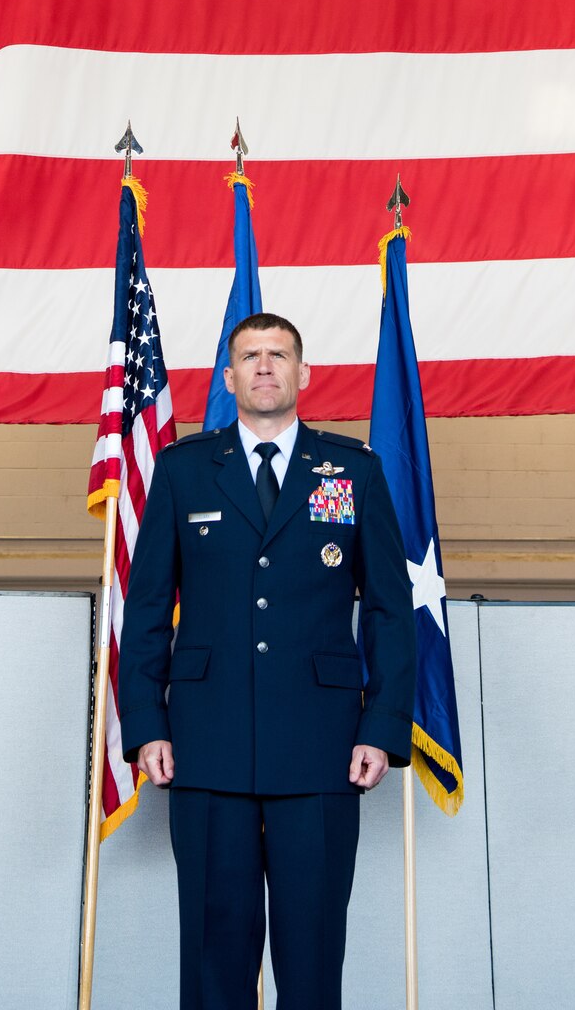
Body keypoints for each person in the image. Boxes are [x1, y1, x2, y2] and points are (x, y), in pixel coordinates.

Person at [119, 311, 416, 1010]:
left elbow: (387, 611)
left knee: (311, 955)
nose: (262, 366)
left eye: (277, 354)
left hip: (321, 744)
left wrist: (380, 727)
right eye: (249, 355)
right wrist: (145, 722)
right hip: (204, 739)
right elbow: (149, 608)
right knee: (213, 953)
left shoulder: (353, 471)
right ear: (228, 378)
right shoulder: (184, 470)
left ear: (302, 374)